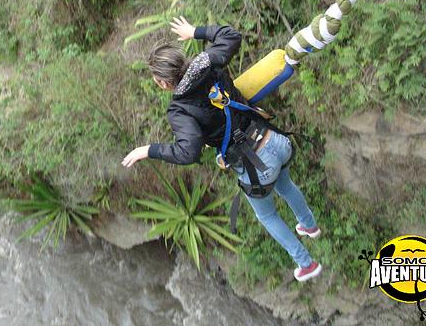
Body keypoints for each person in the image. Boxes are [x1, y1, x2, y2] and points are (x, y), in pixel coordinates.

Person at [122, 16, 322, 282]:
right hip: (275, 141)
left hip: (255, 169)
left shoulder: (179, 110)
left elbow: (188, 152)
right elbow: (232, 35)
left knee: (268, 216)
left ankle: (306, 264)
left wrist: (149, 150)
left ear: (162, 83)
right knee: (285, 184)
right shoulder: (208, 61)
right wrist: (195, 31)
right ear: (182, 60)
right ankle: (309, 225)